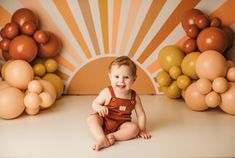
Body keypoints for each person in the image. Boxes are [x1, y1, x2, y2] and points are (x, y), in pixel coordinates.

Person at [87, 56, 151, 151]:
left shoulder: (134, 97)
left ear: (134, 78)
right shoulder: (107, 92)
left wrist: (142, 130)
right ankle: (101, 137)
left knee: (134, 129)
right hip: (104, 120)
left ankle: (111, 136)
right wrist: (99, 107)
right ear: (110, 76)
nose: (121, 81)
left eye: (126, 77)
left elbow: (141, 115)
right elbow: (94, 103)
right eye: (117, 76)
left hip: (122, 125)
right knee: (91, 119)